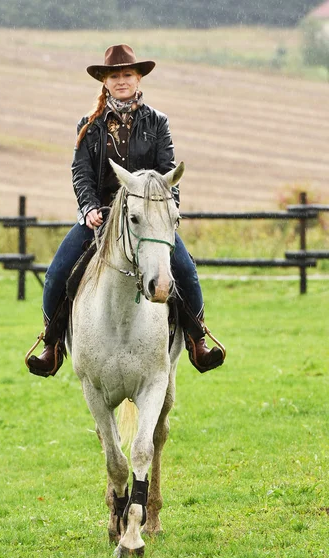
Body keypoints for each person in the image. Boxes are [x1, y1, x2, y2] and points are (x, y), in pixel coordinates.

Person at [26, 44, 225, 377]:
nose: (121, 81)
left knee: (186, 271)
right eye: (114, 75)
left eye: (127, 74)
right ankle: (52, 344)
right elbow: (81, 173)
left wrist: (167, 210)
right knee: (57, 273)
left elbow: (168, 170)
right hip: (100, 218)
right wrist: (88, 207)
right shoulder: (88, 126)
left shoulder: (158, 122)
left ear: (138, 78)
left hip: (147, 218)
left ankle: (197, 340)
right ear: (104, 81)